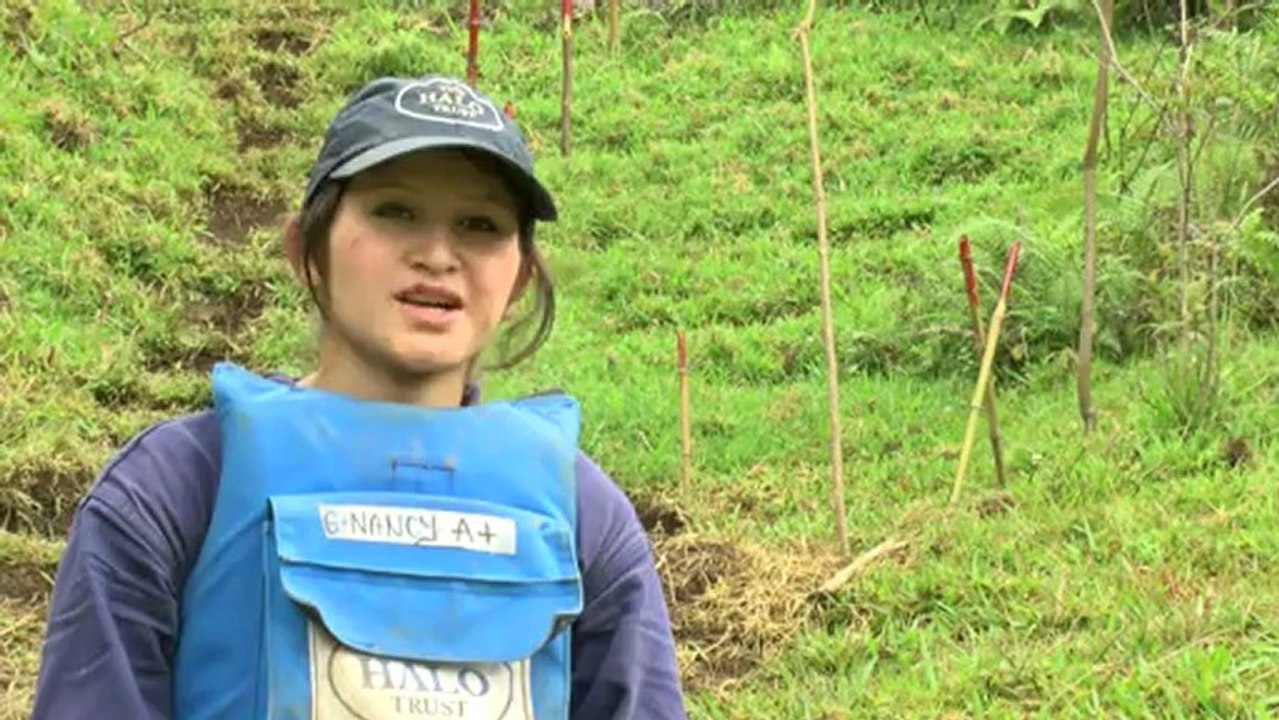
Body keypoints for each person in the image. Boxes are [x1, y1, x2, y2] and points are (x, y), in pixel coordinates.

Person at [30, 74, 687, 719]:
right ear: (306, 249)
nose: (437, 255)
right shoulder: (172, 488)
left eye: (480, 224)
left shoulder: (584, 515)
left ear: (518, 280)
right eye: (394, 211)